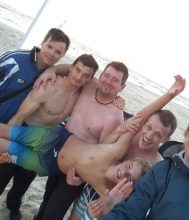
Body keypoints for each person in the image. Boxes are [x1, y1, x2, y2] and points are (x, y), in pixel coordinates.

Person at [0, 74, 186, 201]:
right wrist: (169, 94)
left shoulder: (103, 187)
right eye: (128, 167)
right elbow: (142, 115)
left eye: (127, 176)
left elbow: (115, 207)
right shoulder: (115, 152)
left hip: (47, 163)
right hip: (55, 139)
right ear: (127, 161)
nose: (123, 172)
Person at [0, 28, 70, 220]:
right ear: (43, 42)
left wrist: (54, 69)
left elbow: (75, 69)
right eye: (50, 46)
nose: (52, 53)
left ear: (62, 56)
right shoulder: (15, 59)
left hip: (6, 132)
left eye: (58, 52)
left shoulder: (51, 77)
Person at [34, 61, 129, 220]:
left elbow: (101, 153)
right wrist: (51, 70)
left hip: (76, 168)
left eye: (115, 80)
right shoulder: (89, 84)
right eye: (106, 76)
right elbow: (70, 69)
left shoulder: (115, 116)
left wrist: (83, 176)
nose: (108, 81)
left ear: (122, 87)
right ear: (100, 76)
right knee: (46, 198)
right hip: (57, 150)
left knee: (53, 213)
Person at [70, 109, 178, 220]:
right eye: (149, 127)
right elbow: (101, 151)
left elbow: (142, 201)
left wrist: (110, 207)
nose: (149, 135)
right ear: (144, 123)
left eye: (157, 134)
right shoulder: (129, 137)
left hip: (113, 210)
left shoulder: (158, 167)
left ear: (166, 139)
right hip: (90, 192)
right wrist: (119, 129)